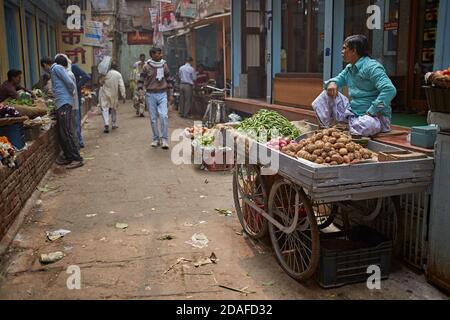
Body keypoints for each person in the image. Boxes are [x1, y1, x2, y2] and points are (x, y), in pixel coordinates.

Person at [312, 35, 397, 137]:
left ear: (354, 50)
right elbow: (337, 80)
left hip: (374, 118)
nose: (342, 51)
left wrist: (372, 111)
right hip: (353, 114)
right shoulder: (349, 68)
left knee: (367, 124)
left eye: (344, 48)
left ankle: (349, 128)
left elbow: (390, 90)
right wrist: (332, 83)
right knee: (326, 94)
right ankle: (326, 130)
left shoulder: (372, 67)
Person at [47, 55, 84, 169]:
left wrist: (68, 94)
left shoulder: (56, 68)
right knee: (64, 133)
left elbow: (70, 84)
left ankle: (76, 158)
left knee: (67, 132)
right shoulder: (57, 69)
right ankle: (69, 157)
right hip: (62, 103)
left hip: (64, 103)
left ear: (45, 64)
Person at [142, 47, 170, 149]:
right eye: (157, 54)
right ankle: (155, 138)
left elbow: (168, 77)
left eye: (160, 53)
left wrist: (170, 92)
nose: (159, 55)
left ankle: (165, 139)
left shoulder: (164, 64)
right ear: (152, 55)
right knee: (153, 119)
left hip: (162, 93)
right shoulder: (146, 66)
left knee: (163, 116)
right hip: (150, 94)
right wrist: (140, 87)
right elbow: (142, 77)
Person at [98, 62, 126, 133]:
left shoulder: (105, 74)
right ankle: (113, 123)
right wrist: (123, 95)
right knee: (113, 108)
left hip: (104, 94)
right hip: (114, 94)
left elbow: (100, 83)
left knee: (104, 109)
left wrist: (100, 76)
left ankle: (106, 124)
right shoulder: (118, 74)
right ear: (116, 67)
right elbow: (121, 85)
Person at [71, 63, 91, 148]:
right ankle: (78, 141)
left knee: (77, 119)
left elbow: (86, 76)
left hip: (76, 97)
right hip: (72, 97)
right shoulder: (63, 70)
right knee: (76, 120)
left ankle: (79, 142)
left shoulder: (73, 67)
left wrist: (77, 86)